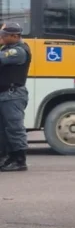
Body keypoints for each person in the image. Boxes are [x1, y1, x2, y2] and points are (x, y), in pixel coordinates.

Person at [0, 23, 31, 172]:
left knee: (14, 128)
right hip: (4, 95)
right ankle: (6, 158)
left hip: (12, 95)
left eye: (4, 35)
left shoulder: (18, 51)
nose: (2, 38)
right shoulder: (7, 48)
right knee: (3, 130)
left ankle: (19, 160)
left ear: (15, 36)